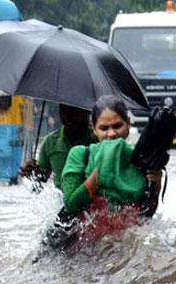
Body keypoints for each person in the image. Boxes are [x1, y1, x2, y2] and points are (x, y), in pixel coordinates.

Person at [58, 95, 163, 247]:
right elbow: (71, 204)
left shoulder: (140, 160)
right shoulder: (81, 155)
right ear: (94, 129)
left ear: (128, 124)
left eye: (117, 126)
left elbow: (145, 215)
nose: (111, 134)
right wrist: (99, 173)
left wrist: (156, 186)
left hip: (121, 247)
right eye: (104, 128)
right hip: (80, 247)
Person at [18, 103, 96, 190]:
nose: (68, 118)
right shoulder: (51, 142)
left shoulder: (98, 141)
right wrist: (31, 172)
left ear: (87, 113)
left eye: (74, 113)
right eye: (63, 113)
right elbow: (40, 181)